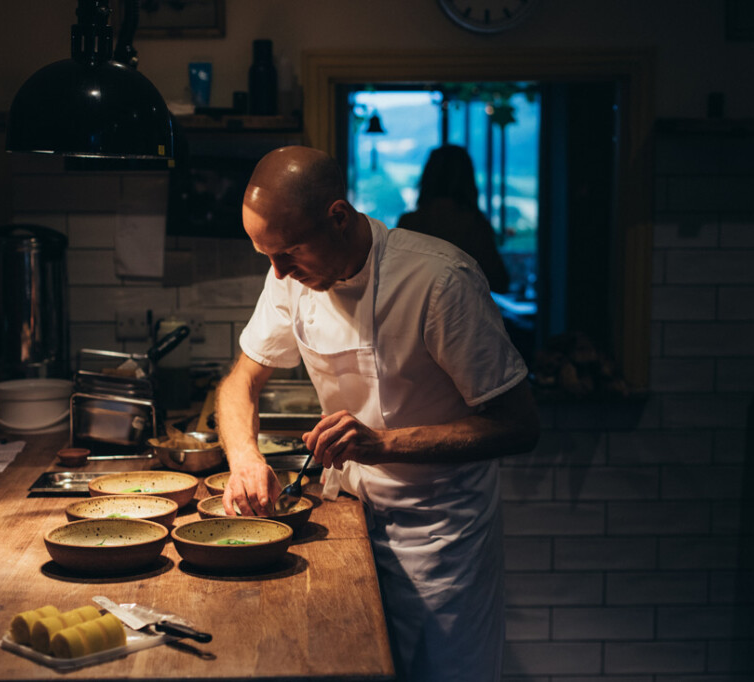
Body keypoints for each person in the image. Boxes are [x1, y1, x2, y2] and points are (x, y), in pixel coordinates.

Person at [215, 145, 540, 682]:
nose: (278, 272)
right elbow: (240, 381)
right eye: (266, 256)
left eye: (289, 252)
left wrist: (382, 444)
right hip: (347, 521)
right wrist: (244, 459)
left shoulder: (439, 281)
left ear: (338, 217)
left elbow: (519, 425)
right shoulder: (288, 275)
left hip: (439, 539)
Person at [397, 144, 510, 293]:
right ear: (467, 179)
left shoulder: (409, 223)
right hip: (465, 313)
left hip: (415, 314)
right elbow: (499, 282)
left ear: (427, 176)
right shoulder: (474, 225)